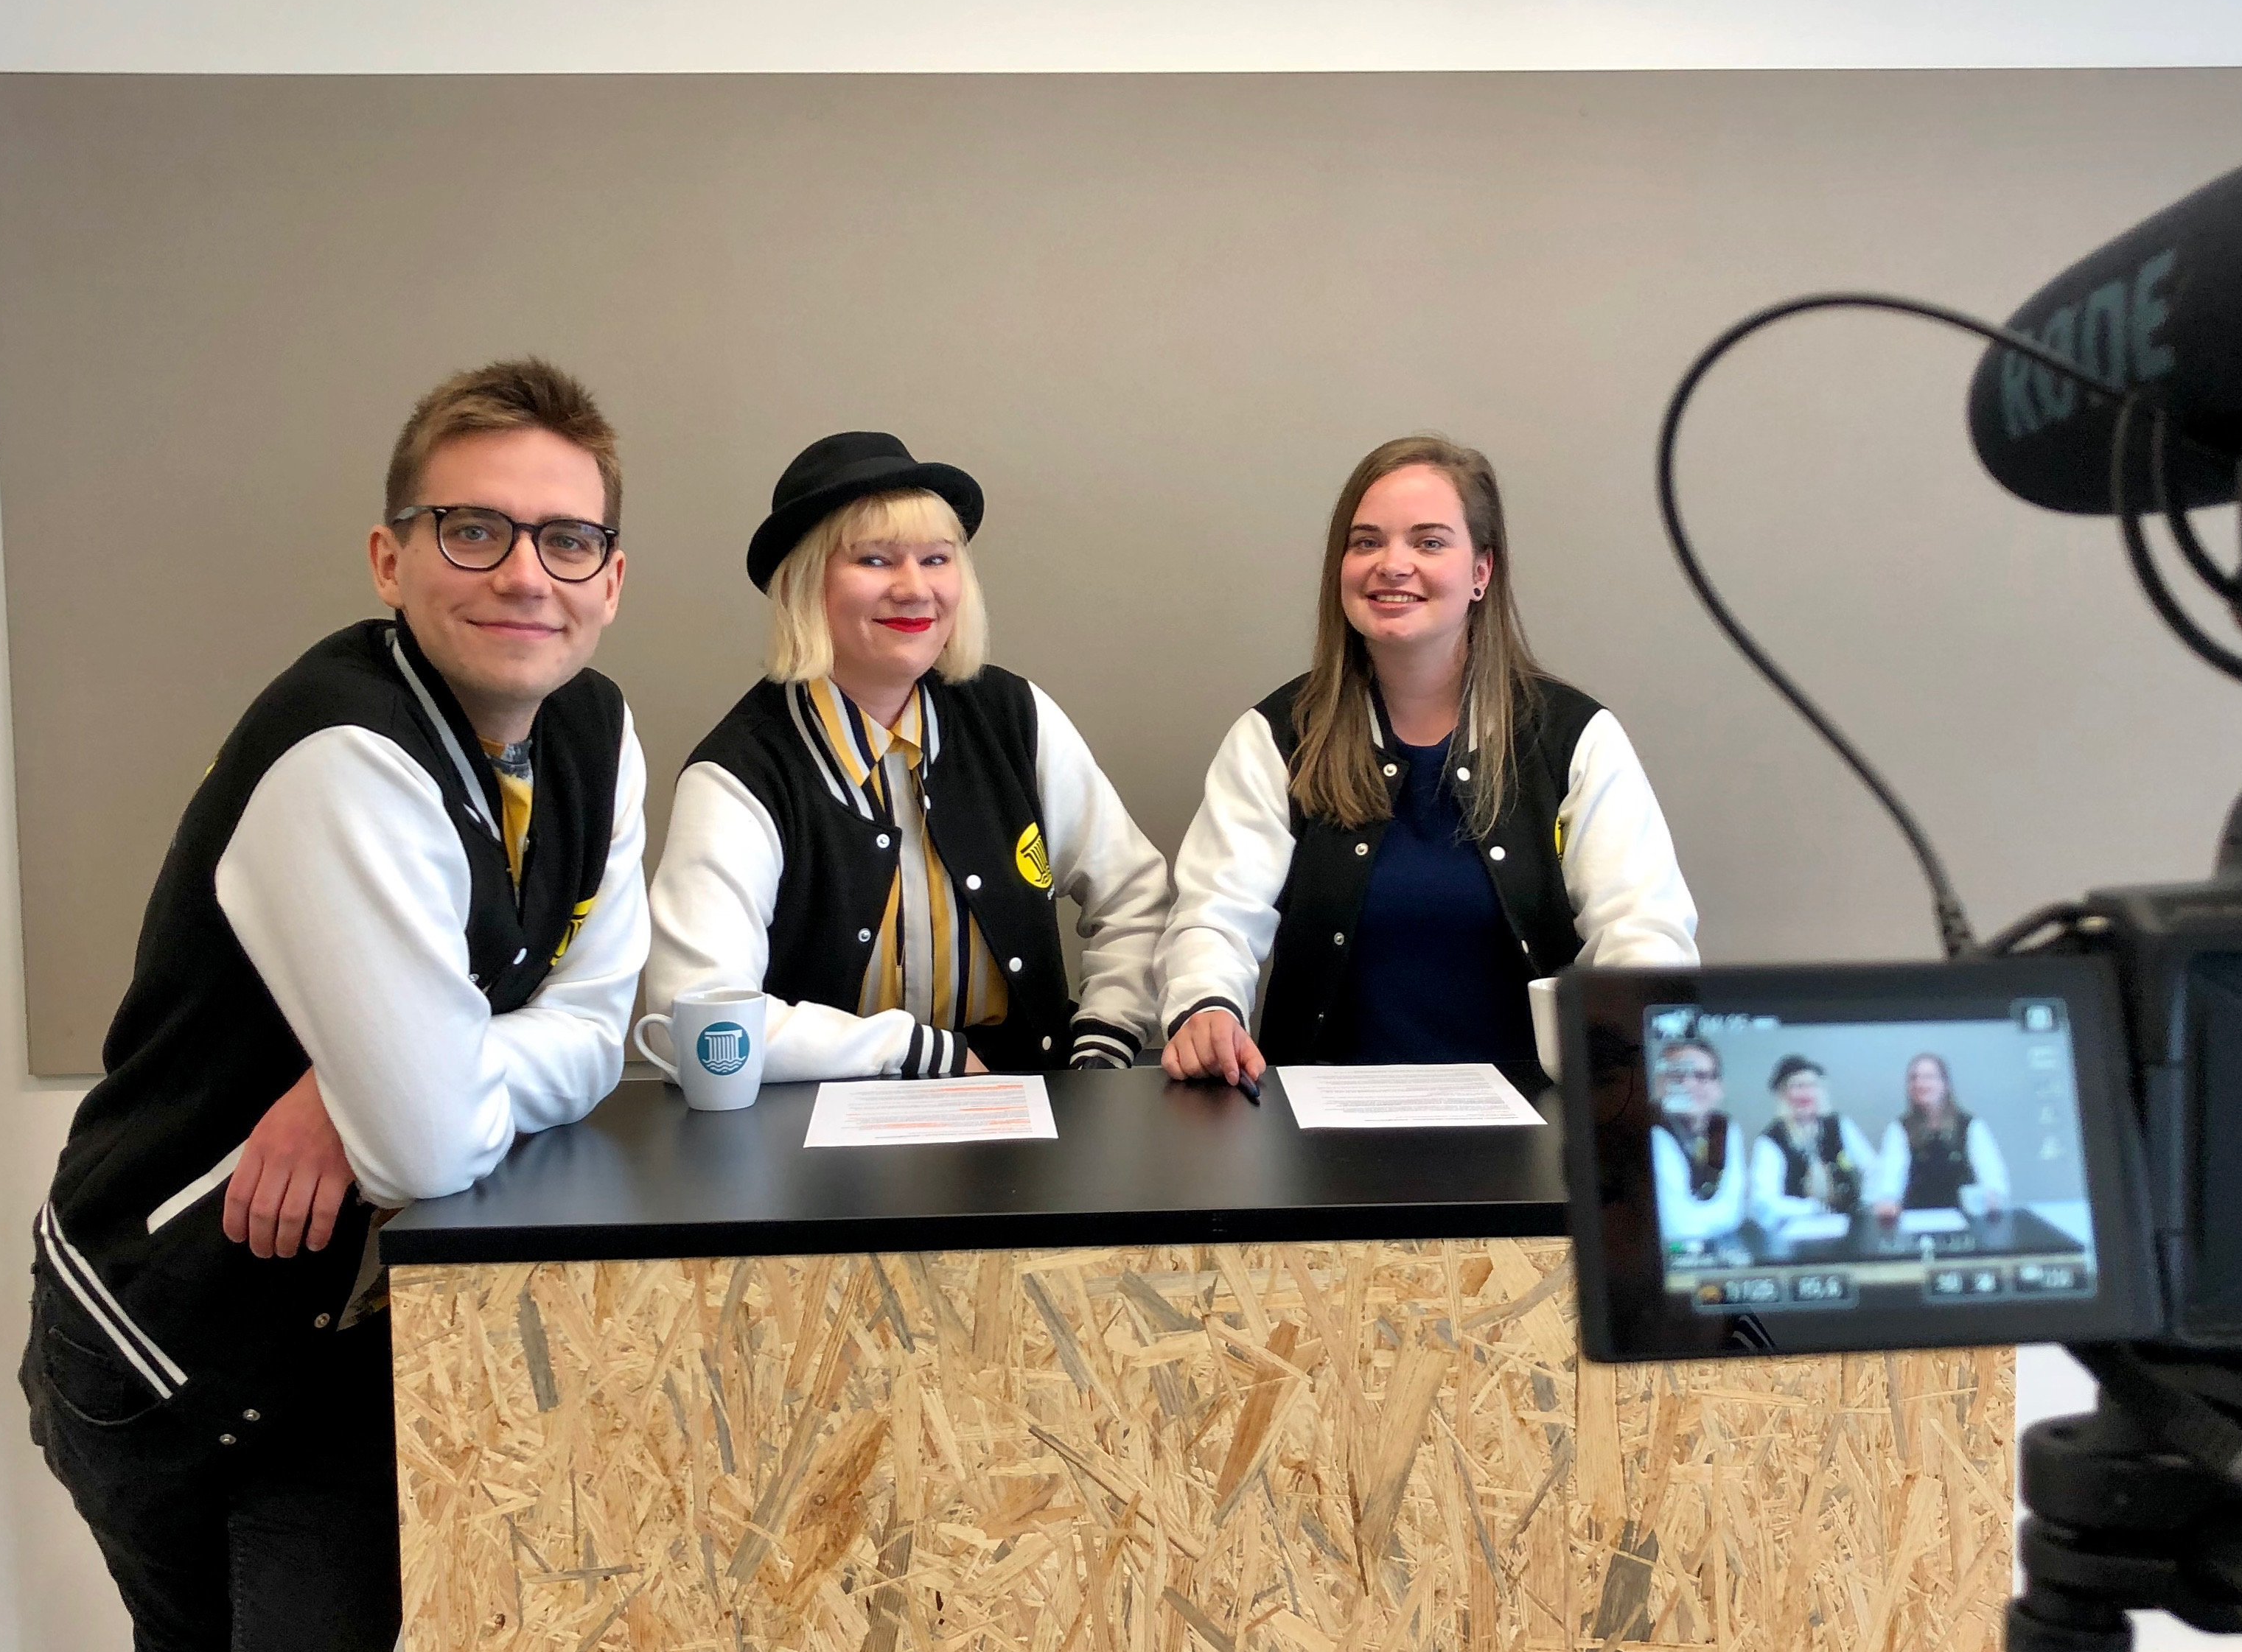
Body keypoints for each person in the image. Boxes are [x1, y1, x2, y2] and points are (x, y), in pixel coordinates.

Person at [21, 360, 651, 1652]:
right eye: (472, 528)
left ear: (611, 578)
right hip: (155, 1322)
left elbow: (599, 1025)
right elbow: (427, 1141)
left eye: (566, 539)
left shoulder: (594, 731)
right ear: (389, 555)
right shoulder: (342, 752)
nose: (525, 573)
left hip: (340, 1318)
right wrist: (392, 1085)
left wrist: (377, 1076)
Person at [1153, 434, 1697, 1081]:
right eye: (1366, 542)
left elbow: (1641, 926)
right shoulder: (1277, 735)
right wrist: (1206, 1005)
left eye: (1429, 542)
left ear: (1481, 572)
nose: (1392, 564)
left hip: (1535, 1117)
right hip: (1321, 1121)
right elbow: (1214, 916)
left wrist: (1629, 1035)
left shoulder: (1573, 737)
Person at [646, 431, 1168, 1079]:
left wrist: (1104, 1042)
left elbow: (1135, 897)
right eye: (874, 560)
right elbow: (696, 1017)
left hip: (1025, 1110)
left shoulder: (1015, 716)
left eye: (935, 558)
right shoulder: (739, 775)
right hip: (815, 1121)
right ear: (800, 586)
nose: (915, 588)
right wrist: (922, 1053)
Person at [1871, 1051, 2011, 1220]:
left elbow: (1993, 1177)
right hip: (1916, 1221)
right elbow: (1890, 1176)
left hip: (1966, 1222)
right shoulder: (1899, 1129)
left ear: (1945, 1084)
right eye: (1914, 1078)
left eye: (1928, 1077)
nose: (1920, 1084)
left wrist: (1993, 1197)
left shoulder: (1971, 1126)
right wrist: (1888, 1201)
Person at [1748, 1054, 1874, 1231]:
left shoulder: (1840, 1126)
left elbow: (1873, 1169)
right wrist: (1812, 1210)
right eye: (1798, 1086)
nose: (1806, 1093)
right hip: (1795, 1231)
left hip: (1847, 1226)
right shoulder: (1770, 1142)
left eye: (1812, 1085)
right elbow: (1764, 1201)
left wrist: (1867, 1203)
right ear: (1783, 1094)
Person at [1649, 1036, 1748, 1258]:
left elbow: (1734, 1213)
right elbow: (1676, 1227)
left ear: (1719, 1088)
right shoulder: (1650, 1129)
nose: (1688, 1085)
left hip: (1720, 1250)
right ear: (1660, 1084)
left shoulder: (1725, 1127)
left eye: (1701, 1076)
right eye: (1677, 1076)